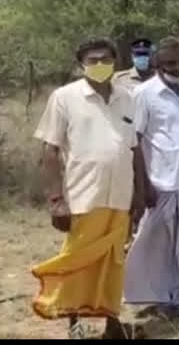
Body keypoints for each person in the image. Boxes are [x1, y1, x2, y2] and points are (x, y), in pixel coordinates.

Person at [31, 38, 148, 339]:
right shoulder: (65, 97)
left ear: (115, 62)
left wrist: (141, 191)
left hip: (120, 195)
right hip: (84, 196)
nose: (100, 65)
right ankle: (75, 323)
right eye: (93, 60)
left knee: (113, 263)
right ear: (81, 65)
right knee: (78, 261)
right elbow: (50, 151)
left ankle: (111, 322)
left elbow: (134, 149)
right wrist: (57, 200)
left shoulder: (126, 97)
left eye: (106, 59)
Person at [123, 37, 179, 314]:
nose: (176, 67)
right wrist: (142, 185)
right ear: (158, 64)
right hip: (160, 182)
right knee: (156, 245)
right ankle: (155, 296)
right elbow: (134, 140)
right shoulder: (144, 94)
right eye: (170, 63)